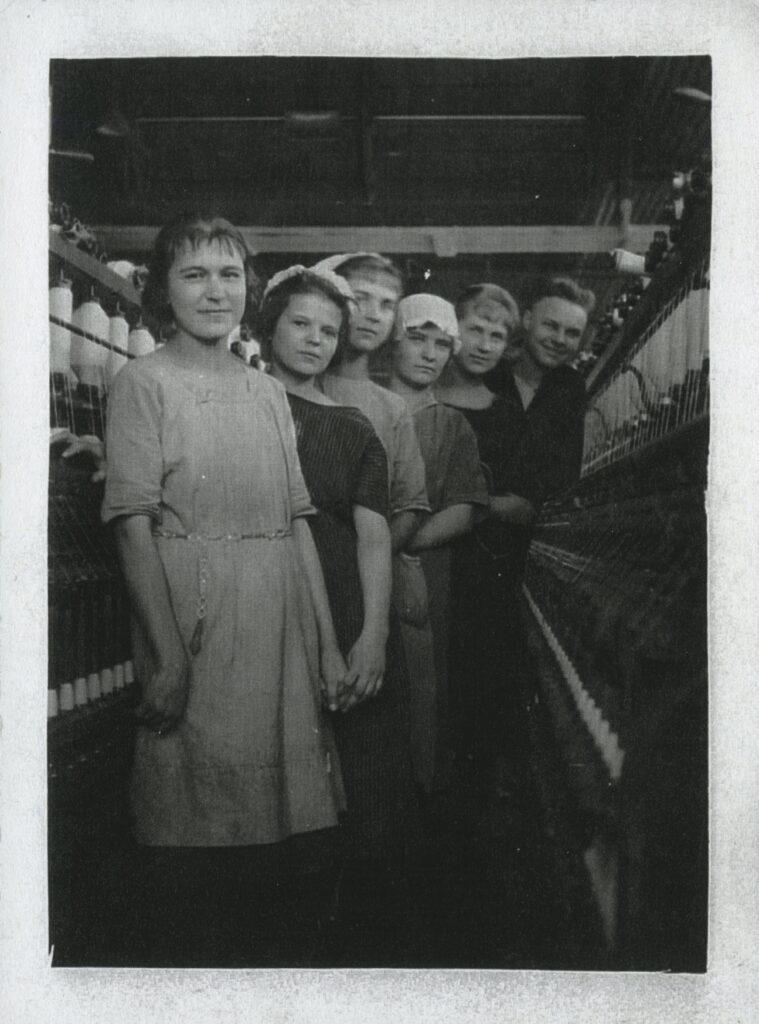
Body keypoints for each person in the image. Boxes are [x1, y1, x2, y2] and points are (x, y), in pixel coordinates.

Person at [100, 214, 346, 966]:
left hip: (277, 624)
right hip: (193, 617)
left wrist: (327, 649)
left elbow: (296, 522)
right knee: (195, 840)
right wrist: (168, 657)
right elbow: (130, 525)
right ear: (161, 291)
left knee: (282, 851)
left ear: (249, 289)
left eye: (229, 274)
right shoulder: (142, 383)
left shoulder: (267, 391)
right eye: (194, 274)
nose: (215, 291)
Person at [257, 265, 425, 965]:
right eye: (300, 324)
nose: (316, 340)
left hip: (348, 604)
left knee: (364, 788)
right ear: (266, 327)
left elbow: (374, 534)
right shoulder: (245, 406)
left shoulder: (354, 425)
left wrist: (373, 639)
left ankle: (350, 959)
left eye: (329, 331)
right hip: (269, 605)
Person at [437, 277, 593, 794]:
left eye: (572, 332)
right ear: (525, 321)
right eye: (551, 324)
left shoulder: (571, 389)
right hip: (467, 544)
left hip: (527, 546)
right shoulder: (489, 374)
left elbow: (558, 480)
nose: (559, 339)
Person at [387, 294, 488, 792]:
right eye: (417, 339)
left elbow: (465, 510)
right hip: (355, 574)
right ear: (392, 340)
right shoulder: (358, 408)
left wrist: (391, 546)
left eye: (441, 344)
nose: (429, 353)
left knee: (418, 694)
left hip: (422, 576)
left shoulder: (451, 425)